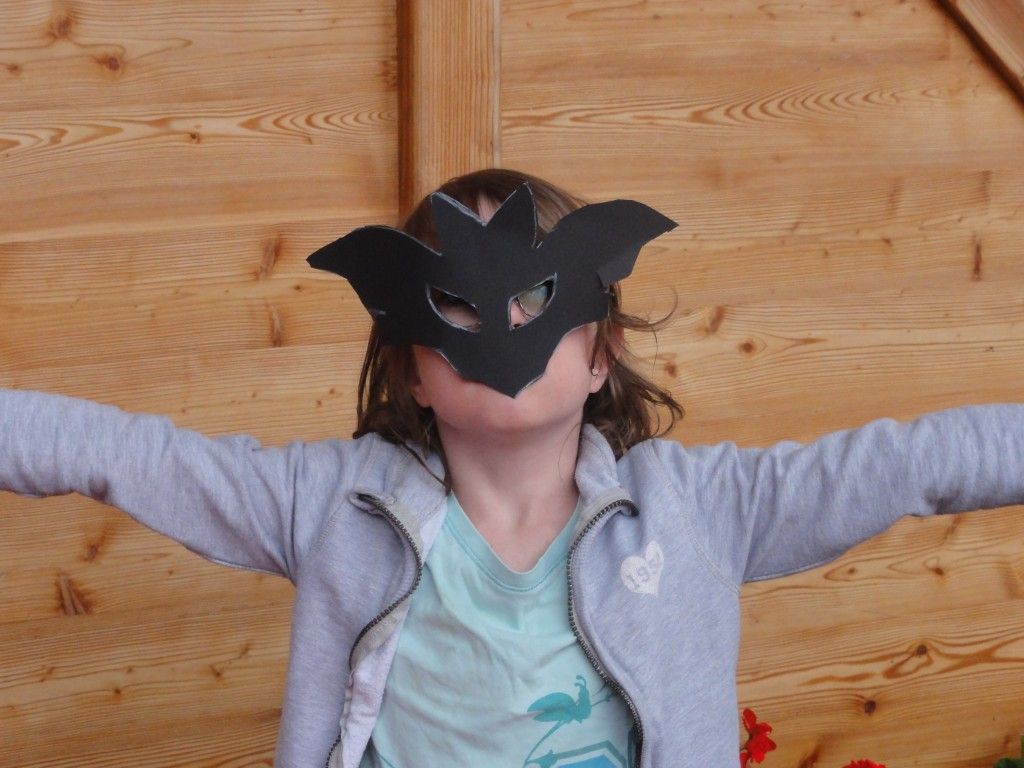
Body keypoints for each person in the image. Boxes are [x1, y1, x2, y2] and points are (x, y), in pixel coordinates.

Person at [2, 167, 1023, 768]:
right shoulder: (330, 505)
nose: (501, 324)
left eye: (541, 296)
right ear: (410, 370)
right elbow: (128, 457)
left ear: (602, 354)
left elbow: (908, 463)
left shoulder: (699, 509)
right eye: (452, 303)